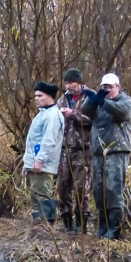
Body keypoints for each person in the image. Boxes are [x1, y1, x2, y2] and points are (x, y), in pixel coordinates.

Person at [83, 72, 131, 239]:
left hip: (116, 152)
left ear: (118, 87)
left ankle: (115, 229)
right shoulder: (99, 103)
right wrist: (93, 99)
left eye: (110, 87)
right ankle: (103, 227)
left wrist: (104, 101)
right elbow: (85, 112)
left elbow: (122, 113)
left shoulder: (125, 101)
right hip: (98, 153)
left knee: (113, 190)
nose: (107, 90)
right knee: (99, 191)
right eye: (104, 87)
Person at [57, 68, 95, 233]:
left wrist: (74, 114)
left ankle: (81, 226)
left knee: (81, 189)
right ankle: (67, 224)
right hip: (65, 150)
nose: (68, 86)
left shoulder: (90, 97)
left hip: (83, 150)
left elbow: (95, 118)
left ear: (79, 82)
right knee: (62, 187)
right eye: (66, 83)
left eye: (71, 82)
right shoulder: (63, 99)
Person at [22, 81, 65, 223]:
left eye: (40, 95)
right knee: (35, 196)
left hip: (43, 164)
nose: (36, 98)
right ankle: (39, 225)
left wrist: (39, 159)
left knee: (43, 196)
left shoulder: (52, 115)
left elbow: (49, 140)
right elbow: (34, 141)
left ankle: (46, 227)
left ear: (49, 97)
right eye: (35, 96)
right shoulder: (43, 114)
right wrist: (27, 164)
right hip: (35, 164)